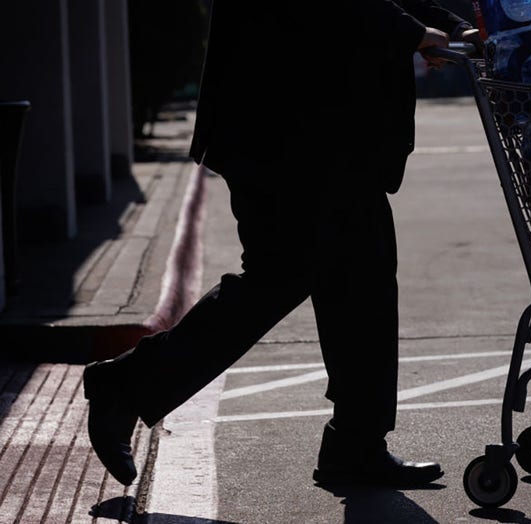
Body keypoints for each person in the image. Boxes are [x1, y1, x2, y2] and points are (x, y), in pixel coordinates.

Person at [82, 1, 483, 488]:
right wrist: (412, 32)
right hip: (281, 128)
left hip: (330, 138)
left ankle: (356, 444)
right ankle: (125, 385)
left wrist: (454, 27)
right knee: (284, 275)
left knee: (362, 279)